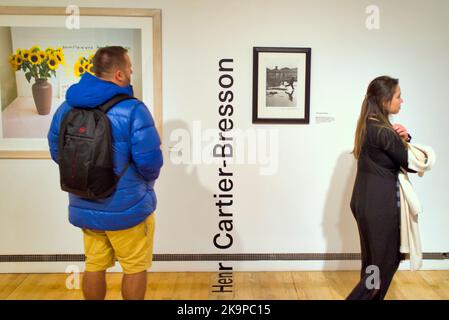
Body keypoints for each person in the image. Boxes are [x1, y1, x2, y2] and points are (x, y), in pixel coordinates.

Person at [47, 46, 163, 300]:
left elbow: (58, 152)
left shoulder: (65, 108)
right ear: (119, 75)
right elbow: (151, 161)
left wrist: (85, 177)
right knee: (134, 267)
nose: (132, 71)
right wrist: (145, 185)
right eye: (130, 67)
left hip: (85, 203)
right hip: (128, 207)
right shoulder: (133, 110)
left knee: (94, 265)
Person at [347, 76, 413, 300]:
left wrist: (403, 137)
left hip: (366, 203)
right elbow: (411, 163)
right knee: (382, 267)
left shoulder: (370, 124)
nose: (402, 101)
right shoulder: (383, 131)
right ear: (385, 100)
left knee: (372, 267)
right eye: (398, 96)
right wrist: (407, 139)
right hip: (378, 208)